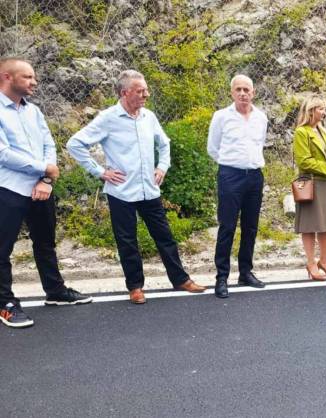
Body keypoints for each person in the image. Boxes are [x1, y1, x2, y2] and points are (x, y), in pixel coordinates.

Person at [67, 70, 206, 304]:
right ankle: (135, 287)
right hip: (121, 191)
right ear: (125, 92)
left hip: (149, 189)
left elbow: (164, 143)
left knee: (165, 237)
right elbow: (75, 144)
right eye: (140, 91)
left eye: (146, 90)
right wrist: (101, 172)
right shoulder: (108, 118)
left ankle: (180, 279)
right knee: (127, 241)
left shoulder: (148, 117)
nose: (146, 95)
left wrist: (162, 167)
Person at [0, 57, 92, 328]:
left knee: (45, 242)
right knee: (2, 248)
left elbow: (49, 144)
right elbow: (3, 154)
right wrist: (44, 168)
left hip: (41, 188)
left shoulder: (34, 111)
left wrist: (46, 179)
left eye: (34, 77)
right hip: (9, 188)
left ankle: (55, 291)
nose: (34, 82)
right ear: (7, 77)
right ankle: (5, 304)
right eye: (28, 77)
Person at [207, 74, 267, 298]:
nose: (243, 93)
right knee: (227, 226)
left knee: (250, 226)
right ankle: (222, 277)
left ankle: (245, 272)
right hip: (230, 175)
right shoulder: (221, 117)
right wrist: (231, 164)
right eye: (238, 89)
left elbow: (259, 144)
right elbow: (213, 148)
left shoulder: (261, 117)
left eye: (246, 90)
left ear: (253, 93)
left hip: (254, 176)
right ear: (232, 92)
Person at [293, 94, 326, 281]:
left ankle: (324, 261)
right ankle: (311, 263)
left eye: (324, 108)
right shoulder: (301, 132)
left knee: (325, 224)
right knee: (310, 225)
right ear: (311, 110)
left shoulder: (322, 131)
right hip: (311, 183)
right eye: (321, 108)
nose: (324, 112)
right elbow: (304, 161)